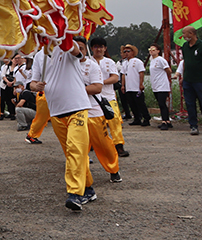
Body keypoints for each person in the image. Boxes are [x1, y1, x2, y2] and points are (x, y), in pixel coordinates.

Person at [29, 39, 98, 212]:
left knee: (75, 149)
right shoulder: (39, 56)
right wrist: (35, 85)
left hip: (77, 108)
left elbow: (75, 50)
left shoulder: (67, 48)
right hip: (56, 112)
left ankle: (74, 194)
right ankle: (88, 189)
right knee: (73, 153)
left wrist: (61, 31)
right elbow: (32, 82)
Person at [76, 38, 122, 184]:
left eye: (81, 48)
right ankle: (80, 177)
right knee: (76, 145)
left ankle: (113, 168)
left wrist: (75, 90)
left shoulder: (93, 65)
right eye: (74, 48)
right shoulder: (67, 65)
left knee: (103, 143)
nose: (77, 51)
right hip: (75, 110)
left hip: (94, 110)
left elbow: (97, 87)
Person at [89, 37, 128, 157]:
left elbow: (115, 78)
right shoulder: (88, 62)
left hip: (108, 97)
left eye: (101, 47)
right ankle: (91, 144)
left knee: (115, 121)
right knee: (91, 122)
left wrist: (100, 82)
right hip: (92, 98)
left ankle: (118, 145)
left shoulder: (109, 62)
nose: (98, 49)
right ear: (91, 48)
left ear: (105, 48)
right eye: (96, 47)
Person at [120, 45, 149, 126]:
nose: (126, 53)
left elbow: (141, 73)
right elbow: (123, 75)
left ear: (133, 52)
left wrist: (141, 84)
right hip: (129, 87)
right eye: (125, 51)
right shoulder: (125, 63)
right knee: (132, 104)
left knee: (140, 103)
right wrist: (123, 85)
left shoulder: (137, 61)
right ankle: (137, 118)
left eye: (128, 51)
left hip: (136, 86)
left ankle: (146, 118)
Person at [148, 45, 173, 130]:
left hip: (162, 85)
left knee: (162, 104)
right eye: (150, 49)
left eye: (153, 49)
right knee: (160, 103)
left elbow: (168, 70)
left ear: (158, 51)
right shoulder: (152, 61)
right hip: (155, 85)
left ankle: (164, 121)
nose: (151, 51)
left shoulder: (161, 60)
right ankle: (168, 121)